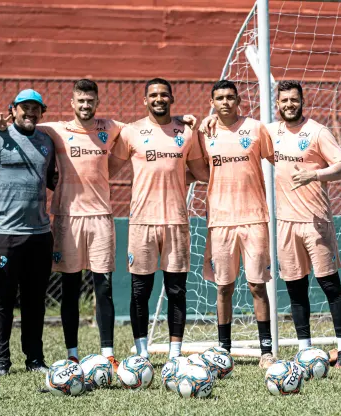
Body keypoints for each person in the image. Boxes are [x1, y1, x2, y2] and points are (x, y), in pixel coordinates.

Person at [0, 80, 197, 369]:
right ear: (72, 103)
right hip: (67, 218)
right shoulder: (55, 130)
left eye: (90, 101)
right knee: (71, 286)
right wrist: (3, 124)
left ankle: (107, 353)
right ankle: (72, 352)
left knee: (104, 286)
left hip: (102, 217)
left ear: (97, 103)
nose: (85, 105)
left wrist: (179, 120)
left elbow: (149, 127)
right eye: (81, 101)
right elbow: (27, 123)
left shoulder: (113, 128)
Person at [109, 78, 210, 360]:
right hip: (142, 221)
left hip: (176, 221)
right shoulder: (132, 132)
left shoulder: (186, 132)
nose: (159, 99)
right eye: (153, 95)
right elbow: (106, 171)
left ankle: (174, 354)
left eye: (164, 95)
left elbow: (202, 173)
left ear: (171, 98)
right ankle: (142, 354)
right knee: (140, 290)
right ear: (145, 100)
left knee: (177, 290)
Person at [265, 80, 341, 368]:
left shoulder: (317, 131)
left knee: (329, 285)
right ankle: (305, 350)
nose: (289, 104)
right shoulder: (270, 132)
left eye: (294, 99)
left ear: (302, 101)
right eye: (284, 100)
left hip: (316, 221)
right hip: (285, 224)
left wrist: (315, 176)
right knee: (295, 289)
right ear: (277, 103)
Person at [0, 89, 56, 376]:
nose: (30, 112)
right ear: (12, 110)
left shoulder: (46, 142)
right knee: (3, 301)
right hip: (5, 234)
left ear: (42, 113)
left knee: (34, 301)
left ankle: (34, 360)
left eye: (35, 108)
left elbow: (53, 179)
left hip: (40, 234)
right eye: (24, 108)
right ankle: (2, 363)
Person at [197, 80, 277, 369]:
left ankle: (266, 351)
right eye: (220, 98)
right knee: (223, 288)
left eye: (230, 97)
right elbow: (193, 164)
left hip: (255, 218)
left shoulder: (256, 129)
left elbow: (278, 158)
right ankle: (224, 349)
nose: (226, 102)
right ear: (212, 102)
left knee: (257, 286)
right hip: (220, 221)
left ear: (239, 99)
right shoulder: (205, 133)